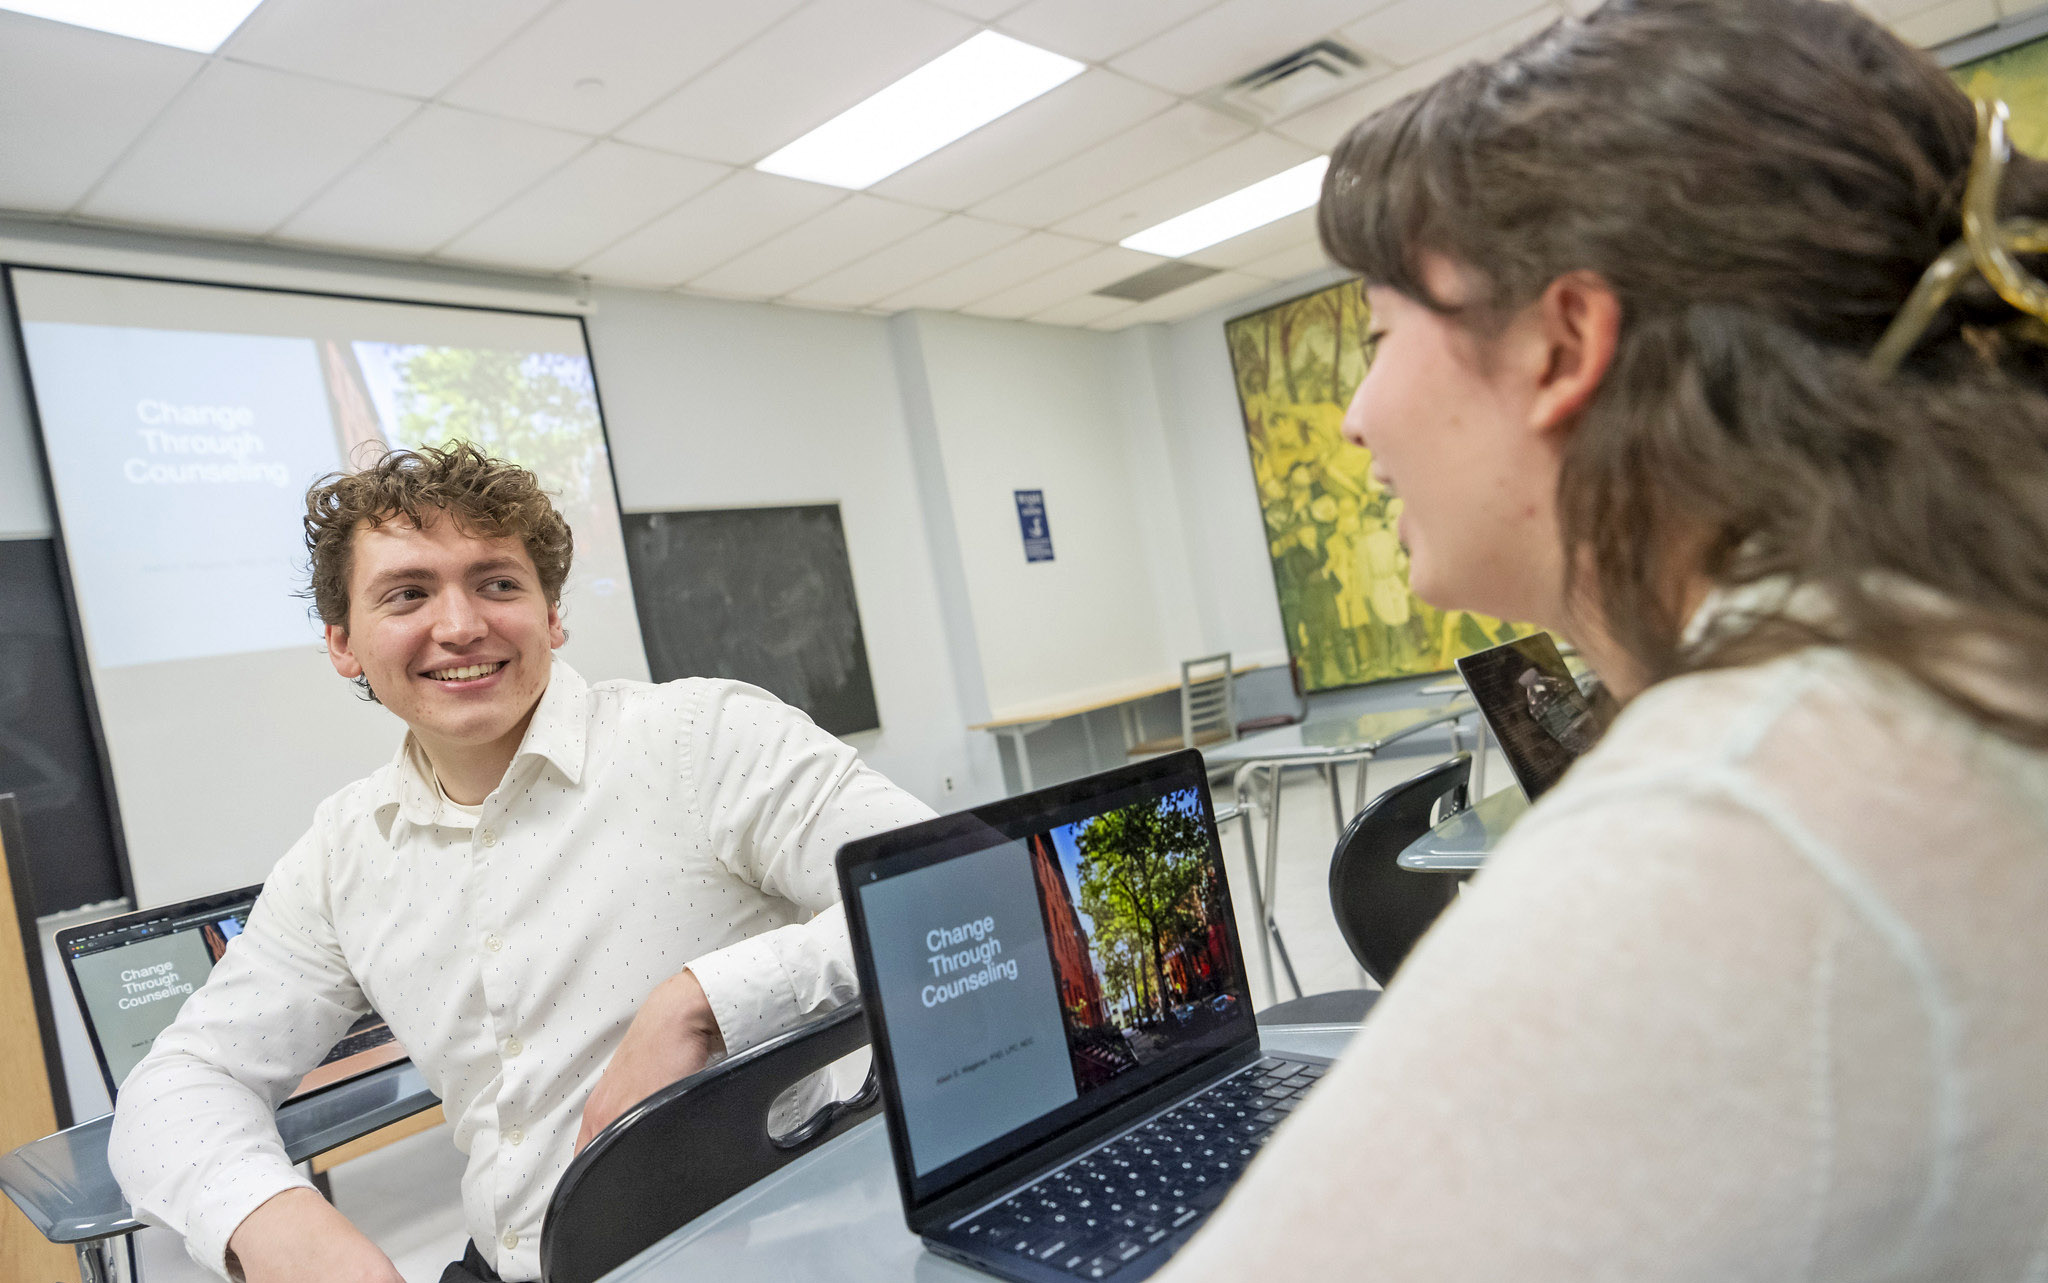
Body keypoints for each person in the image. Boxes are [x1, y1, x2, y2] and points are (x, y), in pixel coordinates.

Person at [1162, 0, 2048, 1278]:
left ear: (1563, 343)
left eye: (1379, 339)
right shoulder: (1957, 648)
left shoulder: (1719, 835)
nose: (1355, 417)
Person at [108, 444, 934, 1283]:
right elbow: (178, 1082)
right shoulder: (344, 852)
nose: (461, 625)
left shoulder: (702, 740)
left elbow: (953, 888)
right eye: (407, 593)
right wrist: (269, 1218)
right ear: (343, 643)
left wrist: (705, 1002)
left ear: (552, 615)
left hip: (758, 1252)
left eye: (497, 583)